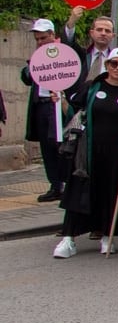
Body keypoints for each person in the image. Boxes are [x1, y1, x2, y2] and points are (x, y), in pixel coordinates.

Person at [53, 48, 118, 258]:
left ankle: (106, 236)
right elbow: (74, 111)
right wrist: (60, 101)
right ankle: (68, 239)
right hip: (88, 151)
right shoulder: (92, 87)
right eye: (114, 64)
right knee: (79, 192)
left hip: (117, 153)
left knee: (109, 192)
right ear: (107, 65)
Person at [21, 17, 84, 203]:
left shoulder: (63, 51)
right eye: (37, 39)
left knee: (60, 145)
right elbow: (26, 78)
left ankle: (66, 183)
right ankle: (55, 185)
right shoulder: (36, 56)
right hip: (40, 104)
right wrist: (30, 68)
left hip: (57, 104)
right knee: (46, 147)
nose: (40, 42)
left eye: (43, 38)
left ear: (51, 35)